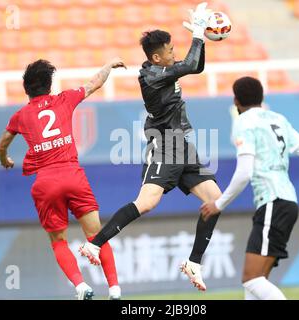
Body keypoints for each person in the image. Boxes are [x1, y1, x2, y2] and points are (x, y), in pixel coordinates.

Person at [79, 2, 222, 291]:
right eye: (170, 51)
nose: (174, 54)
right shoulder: (153, 75)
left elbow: (197, 65)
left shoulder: (164, 69)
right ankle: (94, 245)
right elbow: (192, 65)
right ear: (157, 57)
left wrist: (201, 37)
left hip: (182, 146)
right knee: (146, 203)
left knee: (215, 202)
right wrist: (197, 33)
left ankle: (194, 262)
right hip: (165, 145)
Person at [0, 58, 126, 300]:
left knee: (58, 242)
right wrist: (108, 66)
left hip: (45, 182)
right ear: (50, 85)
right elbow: (93, 84)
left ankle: (81, 287)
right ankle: (115, 290)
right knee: (96, 236)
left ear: (26, 89)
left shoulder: (20, 115)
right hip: (73, 175)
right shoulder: (64, 99)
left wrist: (4, 158)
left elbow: (3, 142)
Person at [200, 76, 299, 300]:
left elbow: (244, 173)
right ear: (261, 98)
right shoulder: (278, 119)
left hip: (273, 201)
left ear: (235, 101)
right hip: (287, 202)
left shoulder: (243, 123)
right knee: (256, 281)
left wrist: (219, 204)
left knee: (251, 278)